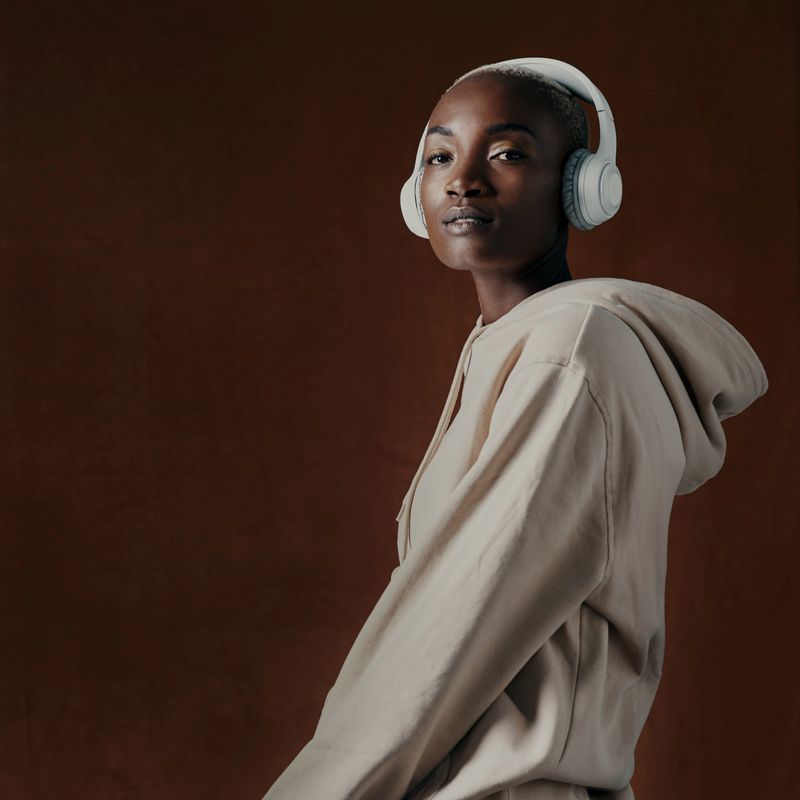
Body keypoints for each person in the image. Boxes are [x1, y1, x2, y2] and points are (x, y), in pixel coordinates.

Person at [260, 59, 768, 800]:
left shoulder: (573, 350)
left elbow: (455, 621)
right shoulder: (511, 344)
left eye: (506, 153)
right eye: (440, 156)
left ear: (581, 188)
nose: (463, 181)